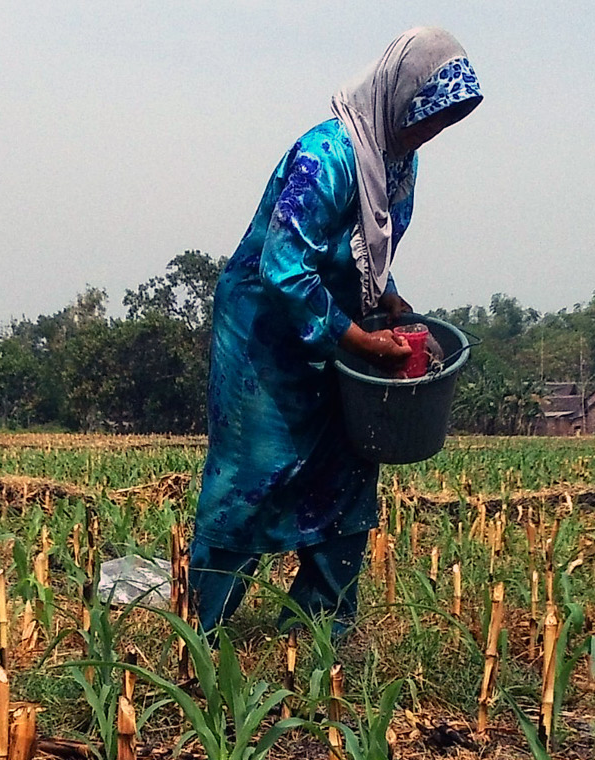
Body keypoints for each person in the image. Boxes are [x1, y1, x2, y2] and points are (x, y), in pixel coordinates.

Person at [190, 28, 482, 638]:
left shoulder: (398, 164)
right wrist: (365, 341)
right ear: (396, 98)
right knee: (256, 472)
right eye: (425, 117)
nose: (430, 131)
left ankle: (320, 623)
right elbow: (283, 269)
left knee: (348, 466)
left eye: (442, 121)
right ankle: (204, 624)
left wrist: (394, 305)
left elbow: (364, 253)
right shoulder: (324, 157)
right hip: (265, 339)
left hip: (341, 331)